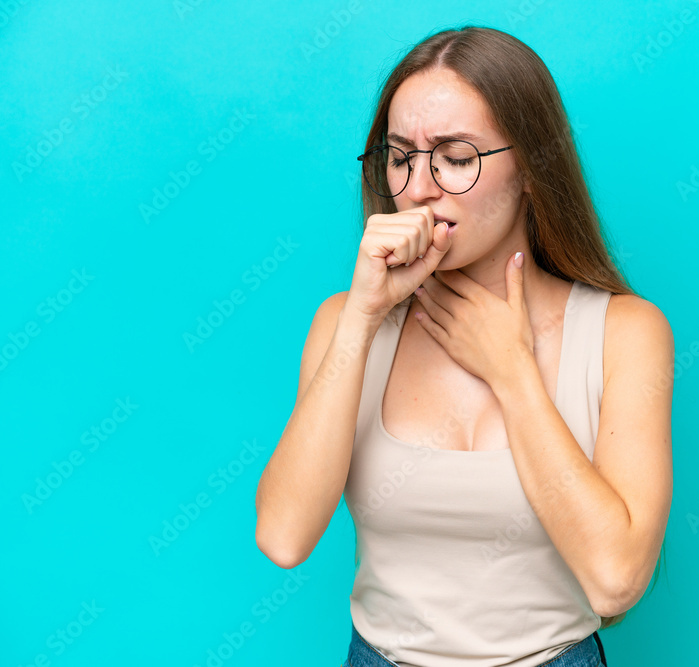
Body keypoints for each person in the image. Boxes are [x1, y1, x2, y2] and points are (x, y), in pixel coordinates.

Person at [255, 25, 673, 667]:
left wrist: (513, 373)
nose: (419, 188)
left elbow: (616, 580)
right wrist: (363, 317)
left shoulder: (626, 332)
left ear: (531, 167)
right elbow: (283, 537)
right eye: (401, 157)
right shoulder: (345, 322)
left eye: (454, 157)